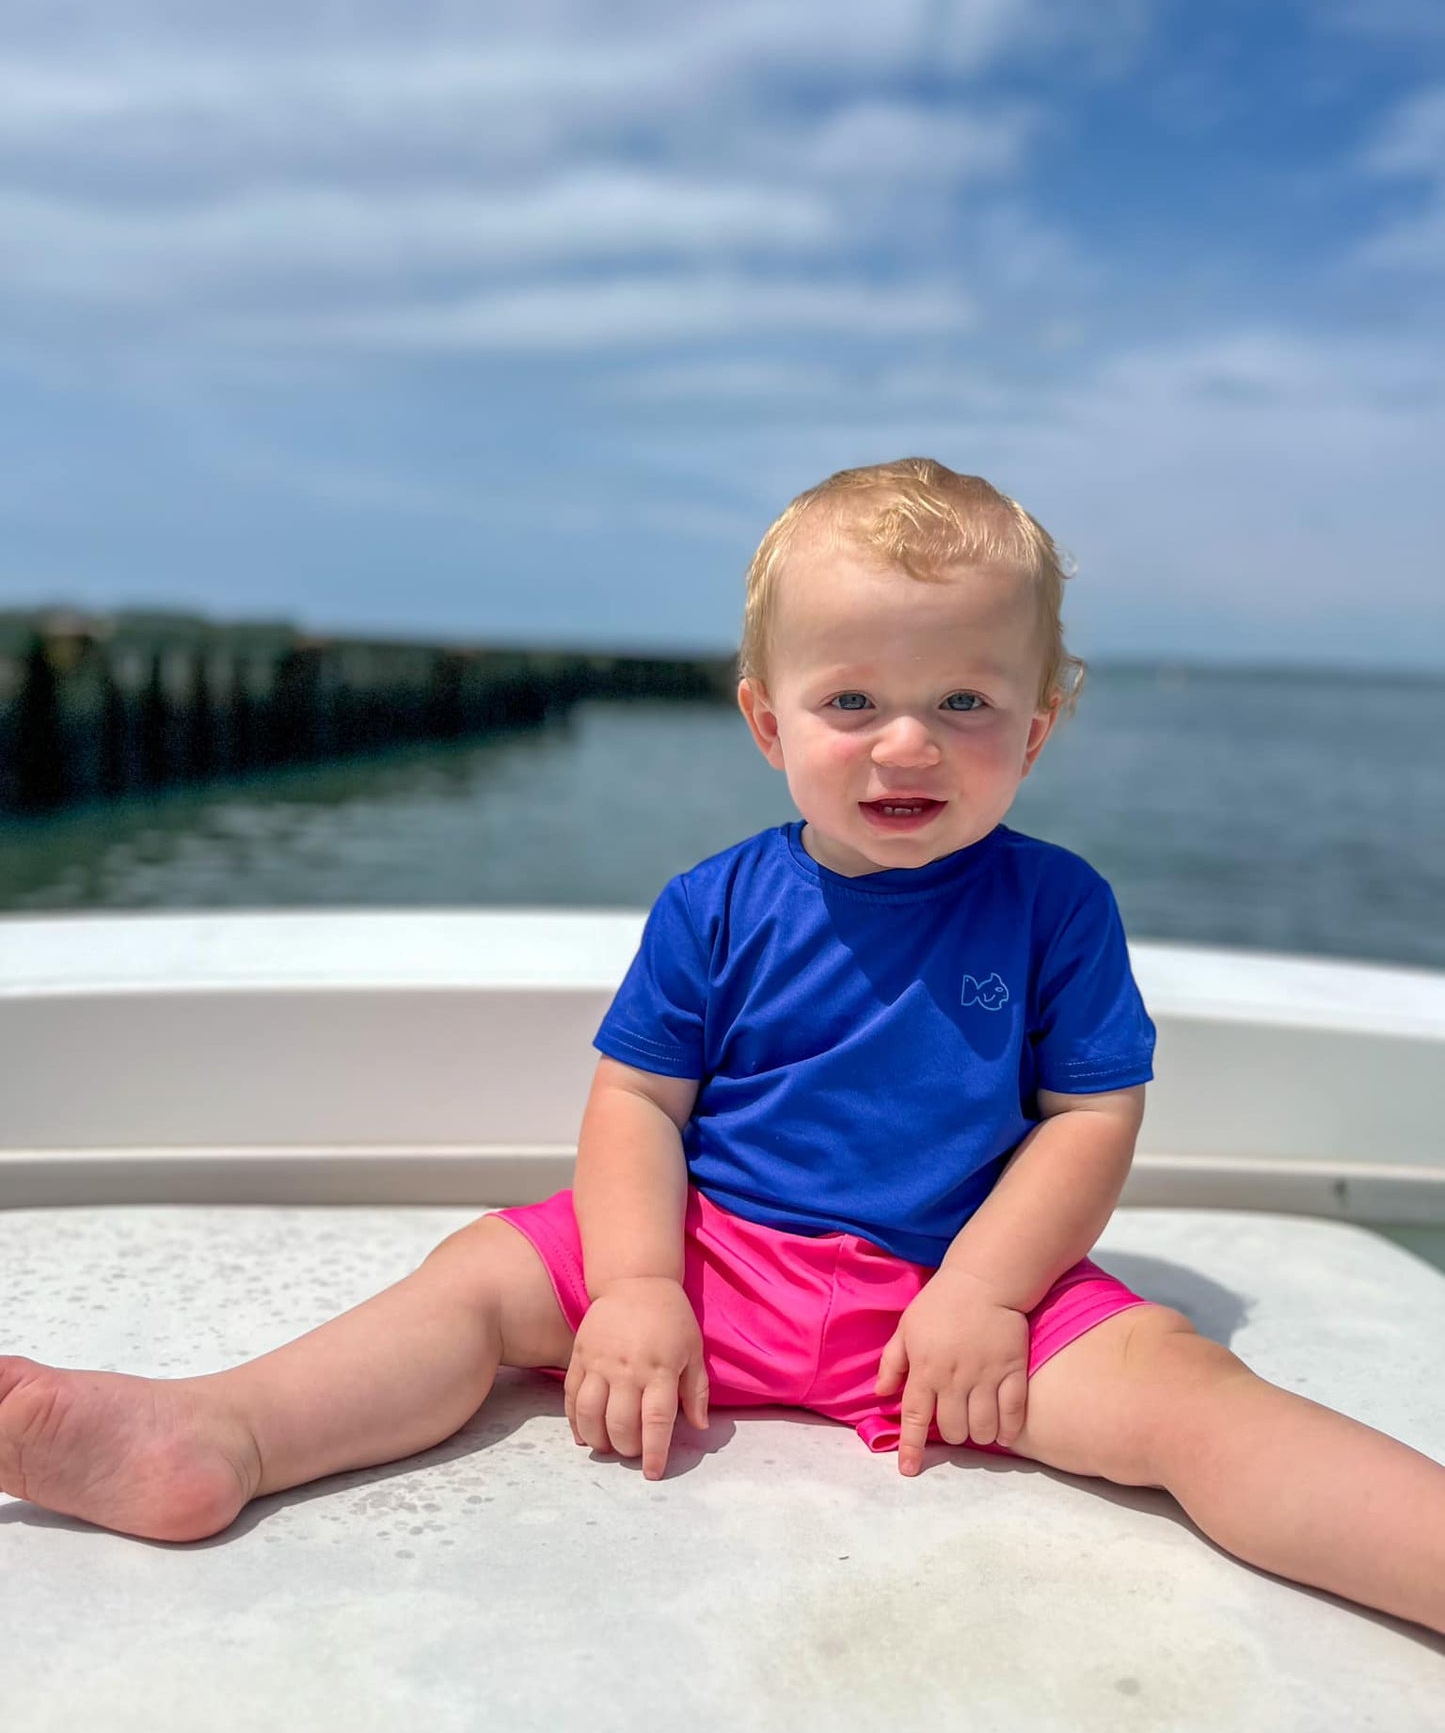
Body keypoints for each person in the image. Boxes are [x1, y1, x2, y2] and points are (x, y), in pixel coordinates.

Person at [1, 459, 1441, 1637]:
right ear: (766, 719)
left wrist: (987, 1298)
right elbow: (638, 1101)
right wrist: (631, 1286)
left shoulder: (1056, 906)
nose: (906, 747)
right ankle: (218, 1437)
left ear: (1038, 725)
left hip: (951, 1301)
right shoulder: (715, 903)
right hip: (710, 1256)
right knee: (478, 1284)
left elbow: (1086, 1118)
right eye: (852, 701)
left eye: (964, 704)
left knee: (1196, 1405)